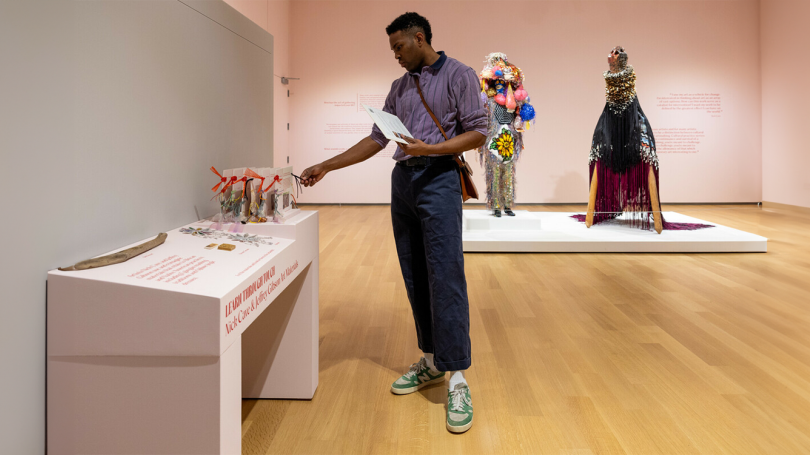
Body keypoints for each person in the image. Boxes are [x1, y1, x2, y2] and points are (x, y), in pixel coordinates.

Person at [300, 12, 486, 434]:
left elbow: (478, 132)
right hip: (403, 182)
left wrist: (433, 148)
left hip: (439, 180)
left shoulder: (460, 75)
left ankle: (457, 375)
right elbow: (376, 139)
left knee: (446, 275)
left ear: (419, 38)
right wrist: (327, 165)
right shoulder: (398, 88)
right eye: (393, 50)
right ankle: (432, 360)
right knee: (415, 274)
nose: (396, 56)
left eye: (399, 48)